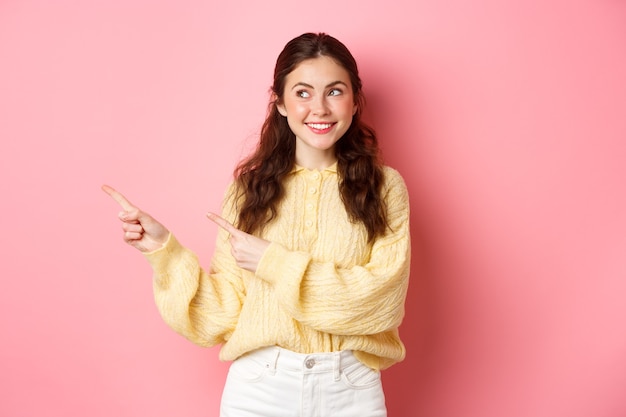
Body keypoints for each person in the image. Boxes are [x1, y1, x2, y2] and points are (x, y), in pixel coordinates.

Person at [103, 32, 410, 417]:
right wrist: (165, 253)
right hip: (260, 389)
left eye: (334, 91)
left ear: (354, 100)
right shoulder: (249, 191)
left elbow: (380, 302)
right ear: (280, 103)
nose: (319, 108)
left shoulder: (385, 188)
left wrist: (273, 262)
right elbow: (224, 312)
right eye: (302, 93)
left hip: (350, 389)